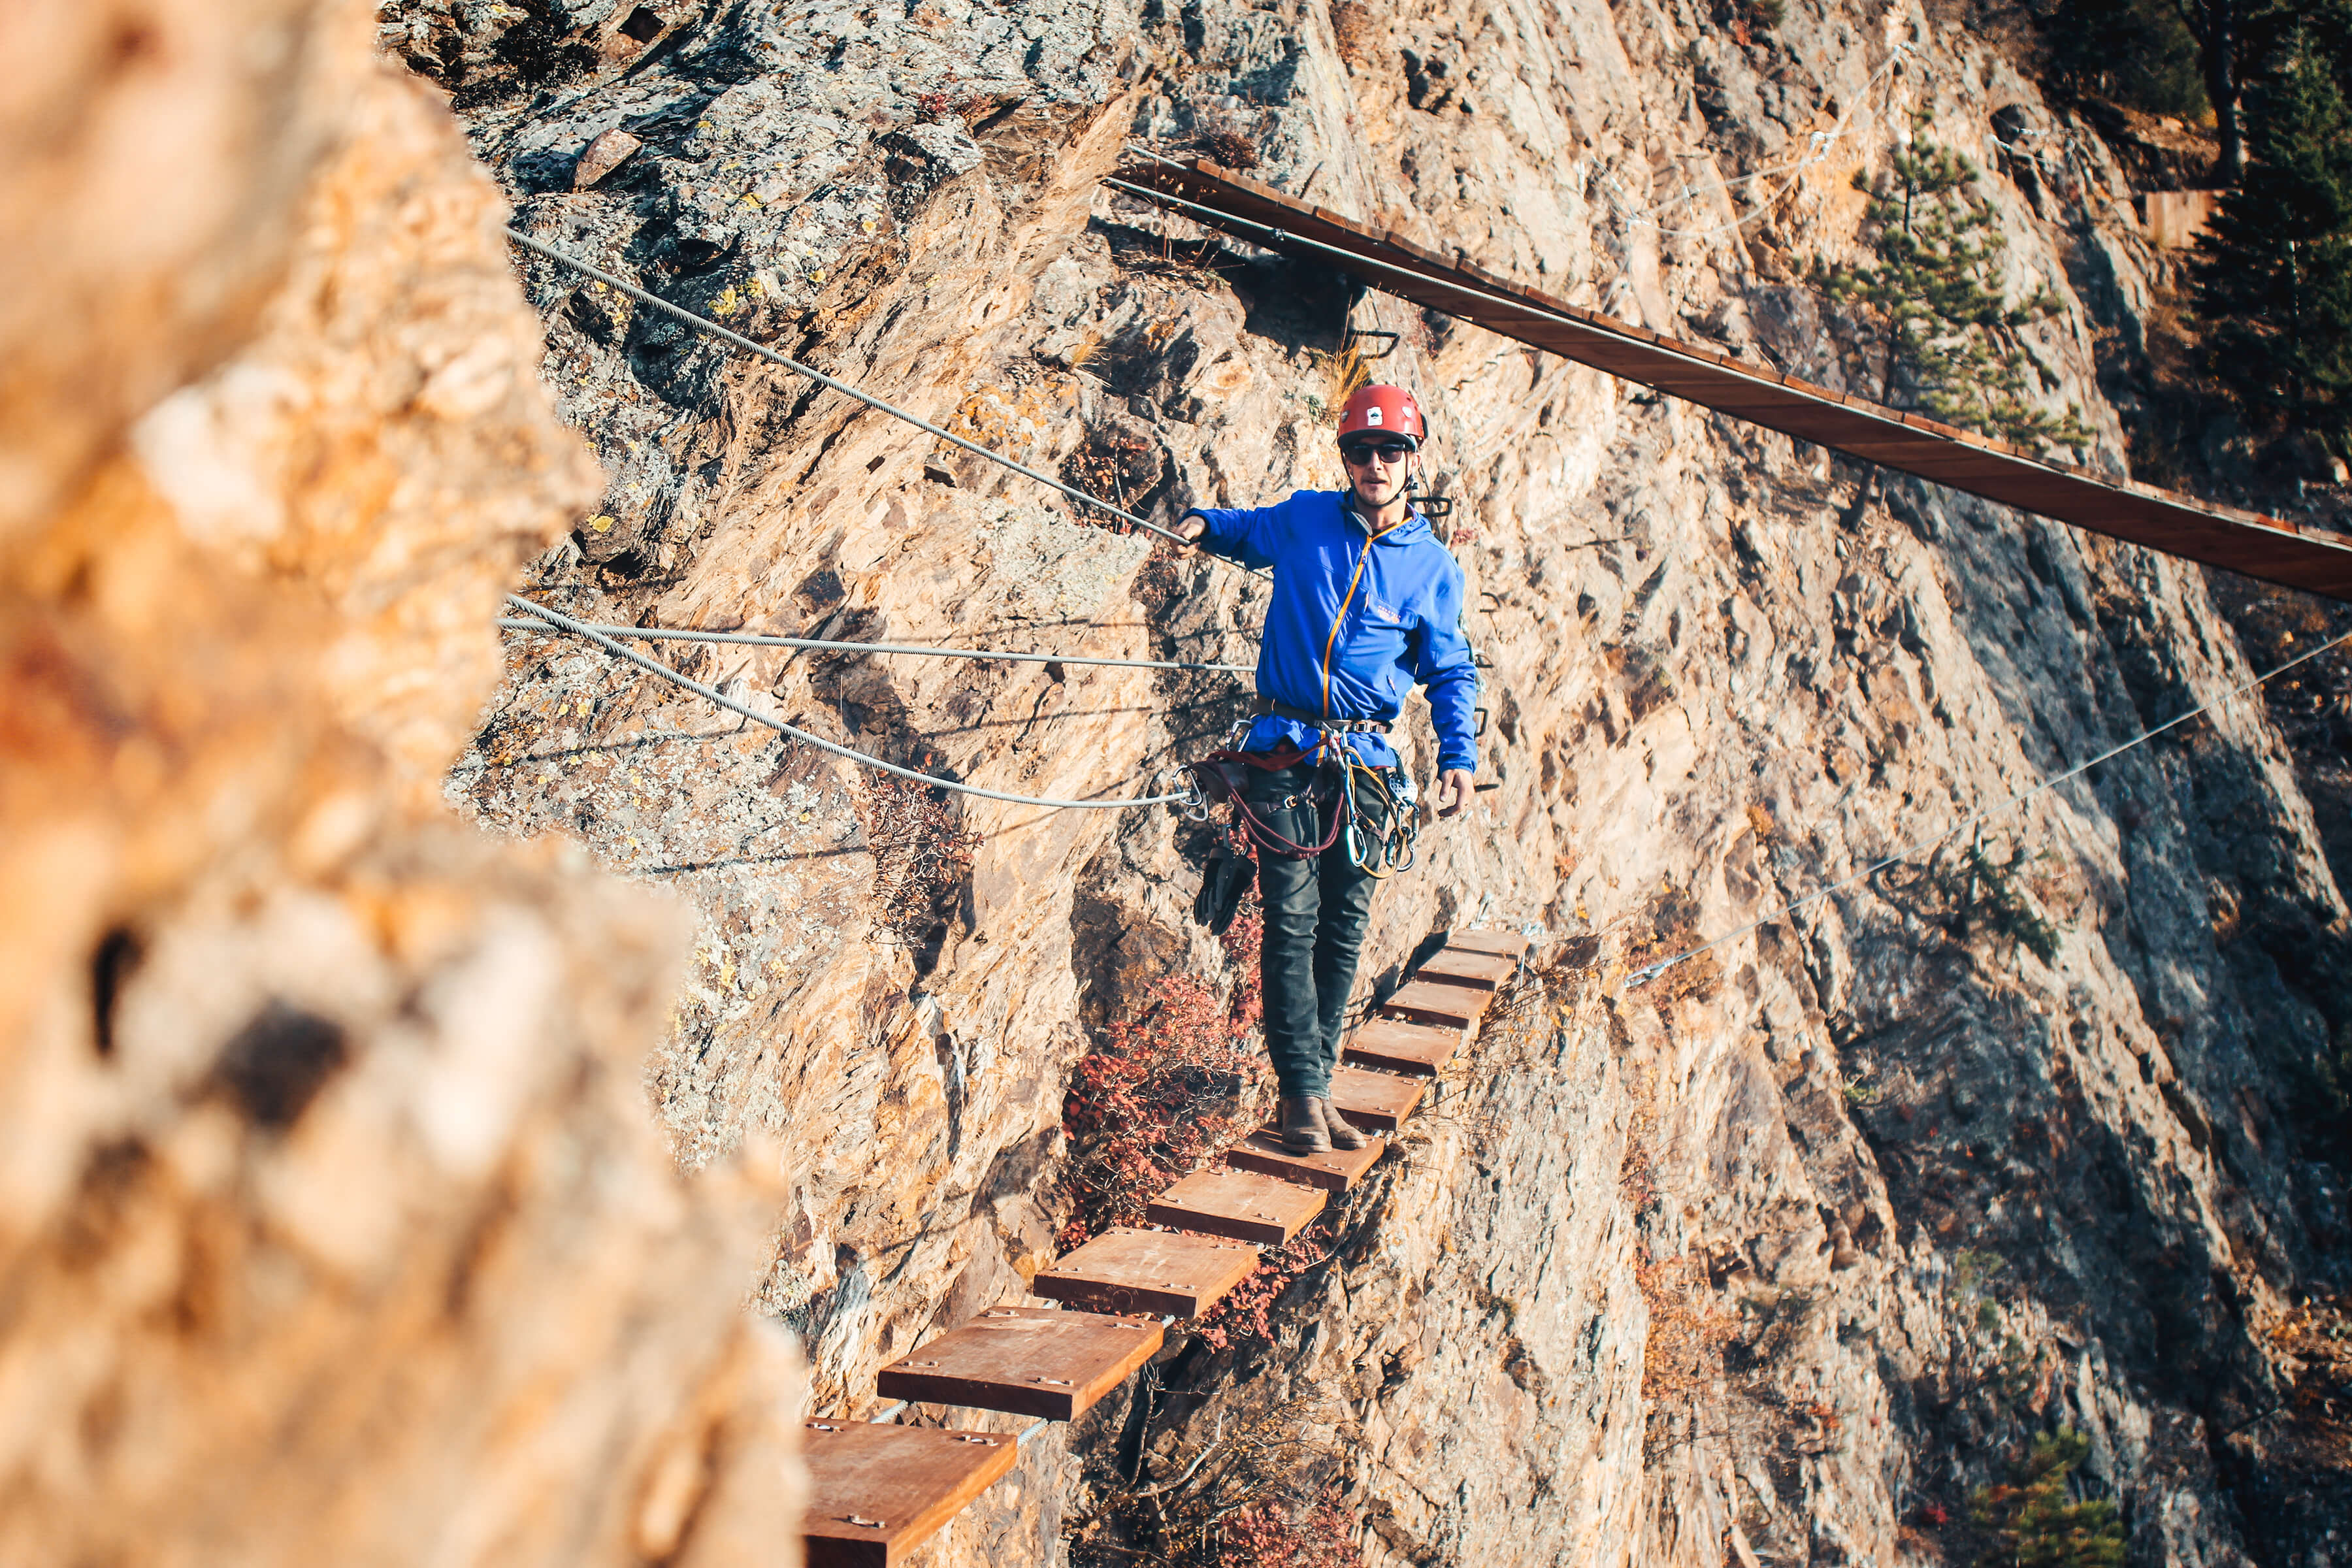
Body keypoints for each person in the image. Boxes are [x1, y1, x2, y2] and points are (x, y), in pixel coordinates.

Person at [1176, 383, 1478, 1154]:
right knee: (1294, 916)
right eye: (1360, 450)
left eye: (1391, 450)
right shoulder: (1308, 518)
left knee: (1343, 929)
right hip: (1283, 745)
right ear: (1343, 456)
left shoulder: (1434, 569)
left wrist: (1458, 757)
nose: (1374, 463)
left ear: (1414, 459)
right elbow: (1247, 532)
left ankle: (1319, 1088)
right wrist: (1204, 525)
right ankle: (1302, 1098)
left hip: (1368, 762)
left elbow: (1449, 673)